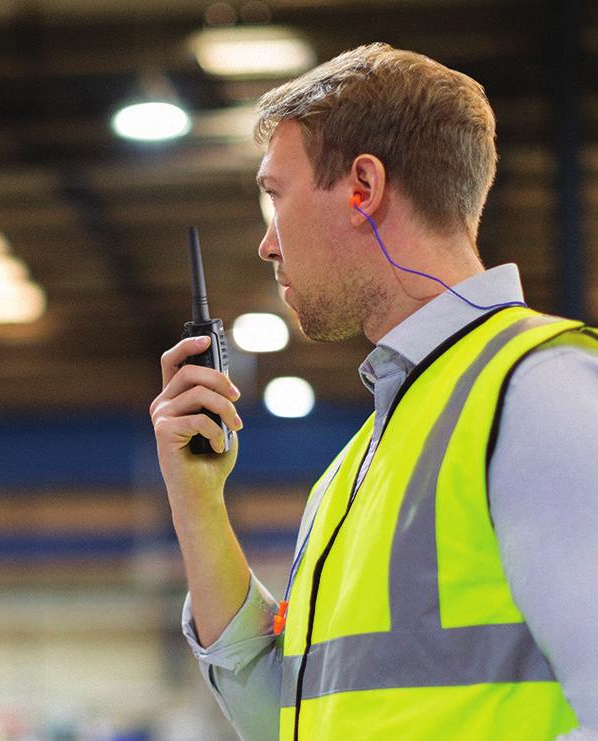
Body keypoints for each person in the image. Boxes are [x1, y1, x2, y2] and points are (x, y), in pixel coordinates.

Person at [149, 42, 598, 740]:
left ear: (363, 186)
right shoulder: (356, 466)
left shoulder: (539, 394)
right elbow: (286, 721)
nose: (268, 245)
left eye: (274, 195)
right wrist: (197, 502)